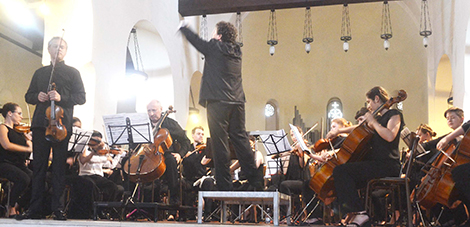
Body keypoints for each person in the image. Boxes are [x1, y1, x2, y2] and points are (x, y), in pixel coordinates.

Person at [179, 20, 262, 191]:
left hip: (218, 101)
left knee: (220, 142)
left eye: (214, 32)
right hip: (237, 101)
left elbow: (197, 43)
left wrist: (184, 29)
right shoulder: (237, 51)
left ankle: (224, 185)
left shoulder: (215, 46)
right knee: (241, 140)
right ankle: (256, 181)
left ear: (219, 35)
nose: (211, 35)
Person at [19, 37, 86, 220]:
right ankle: (34, 208)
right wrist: (36, 96)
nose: (58, 49)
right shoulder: (40, 72)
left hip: (62, 126)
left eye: (62, 46)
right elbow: (28, 95)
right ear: (49, 49)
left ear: (66, 50)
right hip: (41, 124)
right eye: (55, 46)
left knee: (58, 168)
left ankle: (58, 209)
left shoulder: (73, 73)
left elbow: (81, 98)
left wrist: (60, 97)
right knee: (39, 167)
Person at [326, 86, 404, 226]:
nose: (368, 106)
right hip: (375, 164)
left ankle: (360, 214)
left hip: (388, 165)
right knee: (342, 177)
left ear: (377, 99)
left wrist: (373, 122)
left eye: (369, 102)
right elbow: (358, 128)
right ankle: (356, 213)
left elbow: (390, 136)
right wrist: (338, 131)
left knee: (341, 171)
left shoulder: (394, 114)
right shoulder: (378, 118)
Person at [146, 99, 191, 221]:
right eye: (149, 111)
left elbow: (186, 142)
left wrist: (180, 154)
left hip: (165, 156)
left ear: (161, 110)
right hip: (147, 155)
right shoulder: (144, 124)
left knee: (171, 161)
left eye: (154, 110)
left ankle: (174, 203)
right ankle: (136, 204)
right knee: (128, 162)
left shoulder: (170, 123)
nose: (151, 114)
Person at [0, 103, 33, 217]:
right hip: (5, 163)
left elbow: (30, 149)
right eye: (19, 113)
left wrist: (28, 140)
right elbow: (6, 145)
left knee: (39, 183)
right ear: (9, 113)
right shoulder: (2, 128)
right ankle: (10, 207)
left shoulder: (20, 132)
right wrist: (26, 148)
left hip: (19, 164)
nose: (21, 116)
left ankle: (17, 204)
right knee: (23, 179)